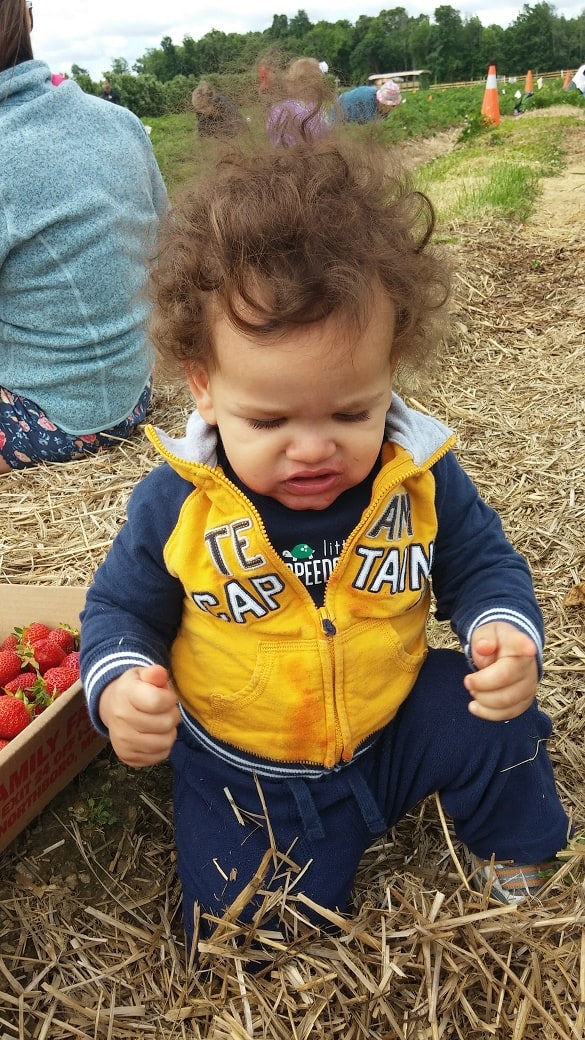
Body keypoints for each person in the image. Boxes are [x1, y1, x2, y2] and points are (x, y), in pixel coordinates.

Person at [80, 134, 570, 951]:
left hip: (392, 722)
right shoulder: (180, 501)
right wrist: (119, 683)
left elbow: (481, 563)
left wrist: (503, 630)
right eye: (268, 421)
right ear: (203, 383)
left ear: (390, 369)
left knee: (492, 716)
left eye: (350, 412)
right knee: (249, 936)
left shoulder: (414, 477)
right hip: (252, 774)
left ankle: (515, 849)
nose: (313, 448)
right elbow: (119, 608)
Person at [0, 0, 168, 471]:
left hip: (53, 415)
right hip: (134, 390)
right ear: (27, 17)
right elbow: (166, 246)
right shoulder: (121, 122)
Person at [266, 57, 332, 146]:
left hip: (288, 156)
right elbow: (326, 136)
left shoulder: (280, 109)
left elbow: (273, 135)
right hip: (315, 156)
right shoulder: (319, 111)